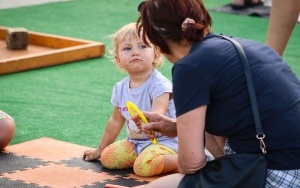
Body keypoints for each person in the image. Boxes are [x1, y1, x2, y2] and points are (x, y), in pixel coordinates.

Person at [133, 0, 300, 187]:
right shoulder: (238, 45)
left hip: (281, 171)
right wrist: (176, 126)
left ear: (157, 40)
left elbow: (191, 164)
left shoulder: (190, 66)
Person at [83, 22, 178, 177]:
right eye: (127, 48)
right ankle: (145, 158)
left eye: (142, 46)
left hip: (164, 143)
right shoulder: (120, 88)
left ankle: (185, 162)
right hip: (136, 142)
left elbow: (157, 116)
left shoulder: (159, 85)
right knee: (108, 158)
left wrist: (147, 123)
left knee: (143, 167)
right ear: (118, 59)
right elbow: (115, 121)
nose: (135, 52)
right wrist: (100, 149)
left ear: (156, 54)